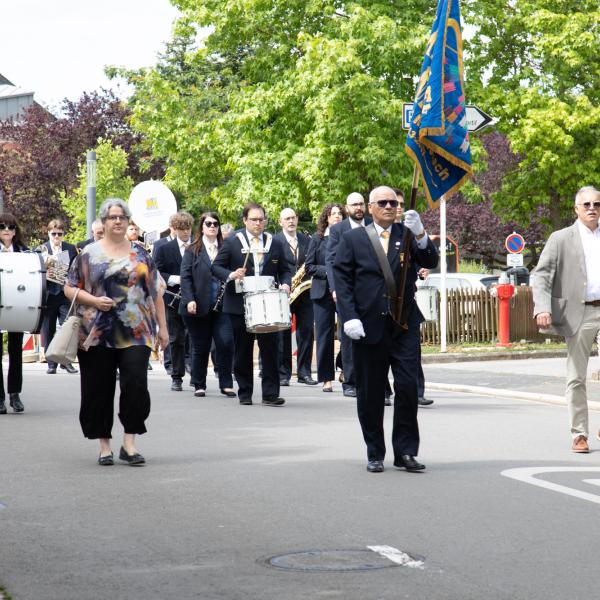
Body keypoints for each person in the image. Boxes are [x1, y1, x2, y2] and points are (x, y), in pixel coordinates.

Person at [333, 186, 438, 473]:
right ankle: (374, 451)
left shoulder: (406, 235)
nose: (390, 206)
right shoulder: (353, 239)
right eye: (384, 202)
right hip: (367, 326)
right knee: (370, 392)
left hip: (403, 324)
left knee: (406, 388)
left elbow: (431, 261)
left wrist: (421, 235)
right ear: (371, 207)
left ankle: (405, 451)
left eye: (394, 202)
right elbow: (341, 280)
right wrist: (349, 317)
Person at [64, 198, 168, 466]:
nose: (118, 221)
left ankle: (129, 444)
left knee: (135, 384)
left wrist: (163, 329)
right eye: (113, 217)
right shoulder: (87, 254)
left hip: (137, 330)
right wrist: (94, 301)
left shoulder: (142, 254)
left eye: (122, 217)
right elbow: (70, 287)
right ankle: (104, 446)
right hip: (95, 331)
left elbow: (156, 292)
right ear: (104, 221)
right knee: (97, 388)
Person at [532, 185, 600, 453]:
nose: (592, 209)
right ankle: (579, 433)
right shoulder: (561, 238)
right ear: (576, 209)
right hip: (578, 312)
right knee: (576, 377)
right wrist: (542, 307)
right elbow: (542, 275)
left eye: (597, 204)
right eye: (587, 205)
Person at [212, 203, 293, 406]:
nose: (258, 223)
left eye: (261, 219)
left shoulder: (274, 243)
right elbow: (216, 267)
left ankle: (270, 394)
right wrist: (232, 274)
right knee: (243, 349)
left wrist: (285, 283)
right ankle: (245, 392)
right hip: (240, 303)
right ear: (245, 220)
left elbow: (285, 269)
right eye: (254, 219)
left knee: (271, 350)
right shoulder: (232, 242)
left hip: (268, 303)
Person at [180, 212, 235, 397]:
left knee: (226, 343)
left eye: (215, 224)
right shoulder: (192, 249)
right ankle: (199, 383)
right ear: (202, 227)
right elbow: (185, 277)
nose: (212, 227)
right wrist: (189, 299)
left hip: (223, 305)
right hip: (198, 305)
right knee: (201, 346)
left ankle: (226, 383)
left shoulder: (226, 248)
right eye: (208, 223)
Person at [325, 192, 371, 397]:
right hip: (347, 292)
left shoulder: (372, 225)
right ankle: (350, 382)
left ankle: (370, 380)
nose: (358, 208)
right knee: (349, 338)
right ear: (347, 208)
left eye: (361, 204)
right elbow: (331, 261)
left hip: (370, 291)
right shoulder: (337, 230)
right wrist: (335, 289)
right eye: (354, 205)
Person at [393, 191, 433, 407]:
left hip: (407, 305)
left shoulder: (411, 231)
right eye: (392, 203)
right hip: (384, 305)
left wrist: (421, 269)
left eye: (400, 203)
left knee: (412, 354)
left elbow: (423, 257)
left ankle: (416, 392)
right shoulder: (377, 234)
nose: (397, 207)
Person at [305, 203, 345, 392]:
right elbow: (309, 267)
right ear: (327, 218)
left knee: (349, 335)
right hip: (322, 292)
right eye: (333, 214)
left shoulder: (349, 237)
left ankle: (345, 368)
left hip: (344, 291)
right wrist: (329, 272)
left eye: (339, 213)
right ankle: (326, 379)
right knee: (324, 337)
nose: (336, 216)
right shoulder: (318, 239)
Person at [274, 208, 316, 386]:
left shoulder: (307, 239)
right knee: (282, 334)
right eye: (287, 218)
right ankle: (283, 373)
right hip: (283, 292)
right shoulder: (274, 241)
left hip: (305, 292)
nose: (291, 221)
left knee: (306, 333)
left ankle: (304, 372)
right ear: (280, 222)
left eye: (293, 218)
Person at [154, 211, 194, 391]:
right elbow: (155, 271)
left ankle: (196, 375)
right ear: (175, 229)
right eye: (182, 229)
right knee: (176, 337)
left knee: (195, 337)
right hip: (172, 299)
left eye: (188, 229)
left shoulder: (196, 246)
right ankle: (176, 376)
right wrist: (174, 278)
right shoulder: (163, 248)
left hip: (193, 297)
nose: (186, 233)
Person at [41, 219, 79, 375]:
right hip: (48, 294)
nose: (56, 236)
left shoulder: (70, 248)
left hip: (65, 294)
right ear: (49, 233)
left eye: (59, 234)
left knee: (67, 328)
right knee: (48, 329)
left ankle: (66, 362)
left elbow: (77, 269)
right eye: (53, 233)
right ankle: (51, 363)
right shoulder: (41, 249)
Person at [0, 213, 28, 414]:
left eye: (11, 227)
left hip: (18, 306)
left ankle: (15, 395)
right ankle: (0, 399)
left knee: (16, 353)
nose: (7, 230)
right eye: (2, 227)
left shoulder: (24, 251)